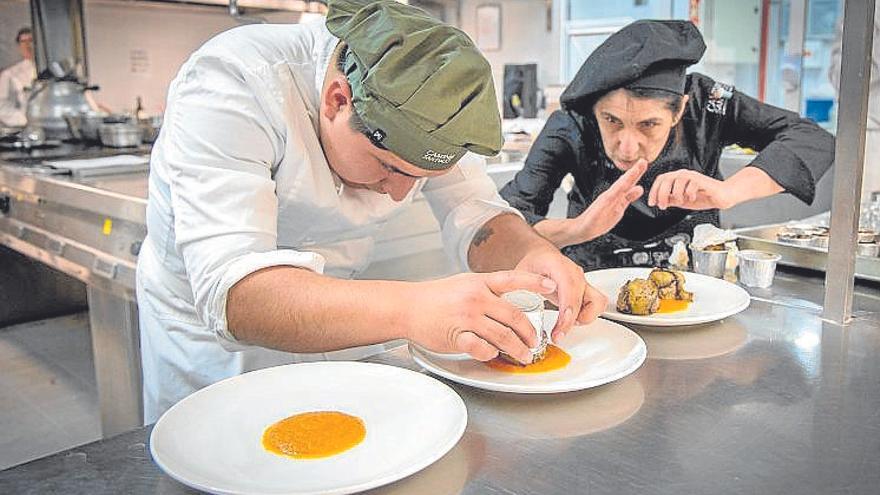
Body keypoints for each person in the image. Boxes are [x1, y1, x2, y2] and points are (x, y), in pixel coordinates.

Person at [138, 0, 612, 422]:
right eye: (388, 167)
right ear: (337, 100)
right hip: (211, 341)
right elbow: (236, 293)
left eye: (419, 177)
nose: (399, 194)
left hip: (338, 314)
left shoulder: (431, 103)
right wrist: (415, 308)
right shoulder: (233, 82)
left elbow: (475, 209)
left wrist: (532, 256)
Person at [500, 20, 835, 270]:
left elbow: (811, 138)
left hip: (697, 277)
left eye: (649, 124)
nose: (627, 148)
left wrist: (728, 191)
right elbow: (506, 219)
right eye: (611, 121)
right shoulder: (572, 121)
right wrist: (577, 228)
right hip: (591, 281)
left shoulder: (708, 103)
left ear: (679, 110)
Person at [829, 7, 880, 197]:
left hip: (866, 129)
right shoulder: (858, 12)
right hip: (867, 132)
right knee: (865, 215)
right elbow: (843, 78)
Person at [0, 27, 36, 127]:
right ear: (19, 46)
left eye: (31, 41)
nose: (27, 46)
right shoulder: (10, 73)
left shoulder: (54, 70)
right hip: (25, 126)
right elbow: (1, 106)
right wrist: (24, 120)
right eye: (23, 42)